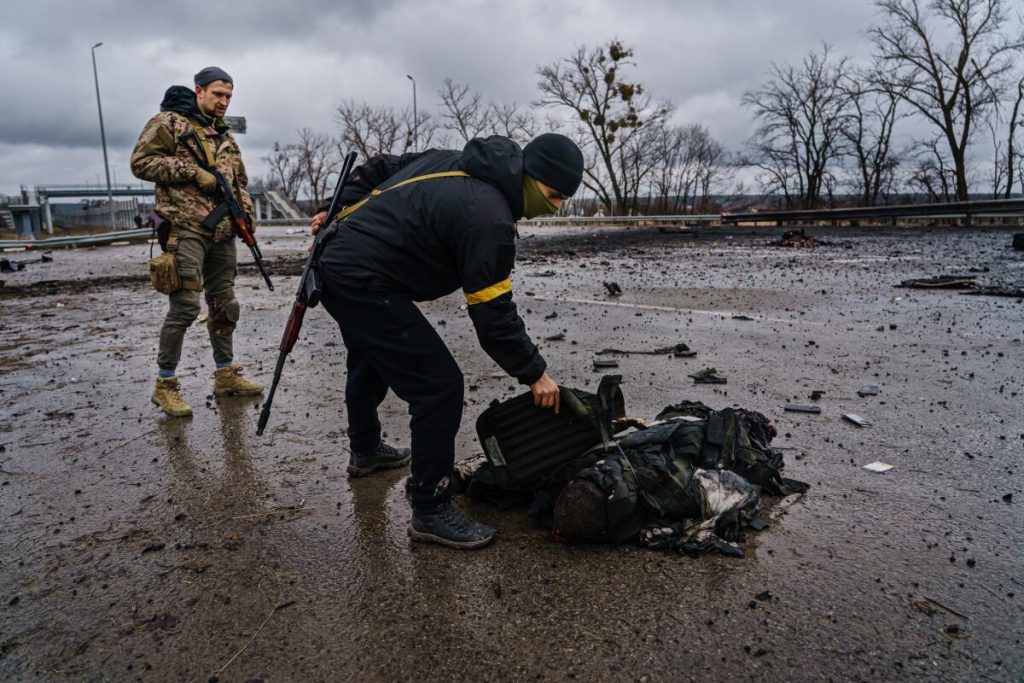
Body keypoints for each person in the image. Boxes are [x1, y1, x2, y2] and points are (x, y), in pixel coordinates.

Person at [311, 133, 584, 549]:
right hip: (360, 278)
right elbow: (493, 316)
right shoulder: (490, 218)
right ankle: (430, 508)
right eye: (554, 194)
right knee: (438, 386)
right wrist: (535, 374)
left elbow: (381, 165)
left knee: (371, 355)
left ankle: (365, 451)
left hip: (345, 262)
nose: (556, 205)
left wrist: (334, 210)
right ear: (530, 176)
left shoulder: (458, 160)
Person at [130, 66, 263, 417]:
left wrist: (245, 217)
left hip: (222, 232)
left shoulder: (224, 136)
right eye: (218, 94)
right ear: (199, 91)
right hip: (185, 227)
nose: (223, 101)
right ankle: (165, 384)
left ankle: (225, 375)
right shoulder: (170, 123)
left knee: (224, 305)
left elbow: (239, 183)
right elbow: (141, 162)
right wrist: (192, 172)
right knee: (186, 306)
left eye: (229, 96)